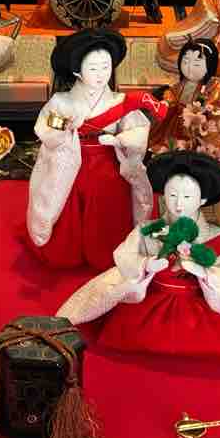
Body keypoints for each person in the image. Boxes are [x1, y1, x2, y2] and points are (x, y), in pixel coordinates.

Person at [56, 152, 220, 358]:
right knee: (121, 325)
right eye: (172, 195)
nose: (178, 204)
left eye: (187, 196)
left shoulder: (214, 234)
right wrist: (146, 264)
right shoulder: (149, 229)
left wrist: (203, 272)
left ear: (202, 200)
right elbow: (124, 255)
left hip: (200, 302)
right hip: (152, 297)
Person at [26, 28, 167, 270]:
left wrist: (120, 140)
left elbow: (137, 130)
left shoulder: (119, 101)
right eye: (93, 68)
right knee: (66, 188)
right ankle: (67, 251)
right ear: (77, 71)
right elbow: (46, 128)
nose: (101, 74)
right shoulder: (62, 101)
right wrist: (68, 128)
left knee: (109, 186)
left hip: (108, 158)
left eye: (106, 67)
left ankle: (104, 251)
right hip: (70, 157)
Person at [148, 39, 220, 169]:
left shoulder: (213, 85)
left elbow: (214, 100)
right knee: (166, 141)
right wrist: (168, 98)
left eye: (197, 64)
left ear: (209, 66)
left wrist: (201, 106)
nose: (189, 68)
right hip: (178, 123)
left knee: (208, 148)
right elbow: (172, 96)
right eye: (185, 62)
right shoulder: (180, 85)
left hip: (204, 122)